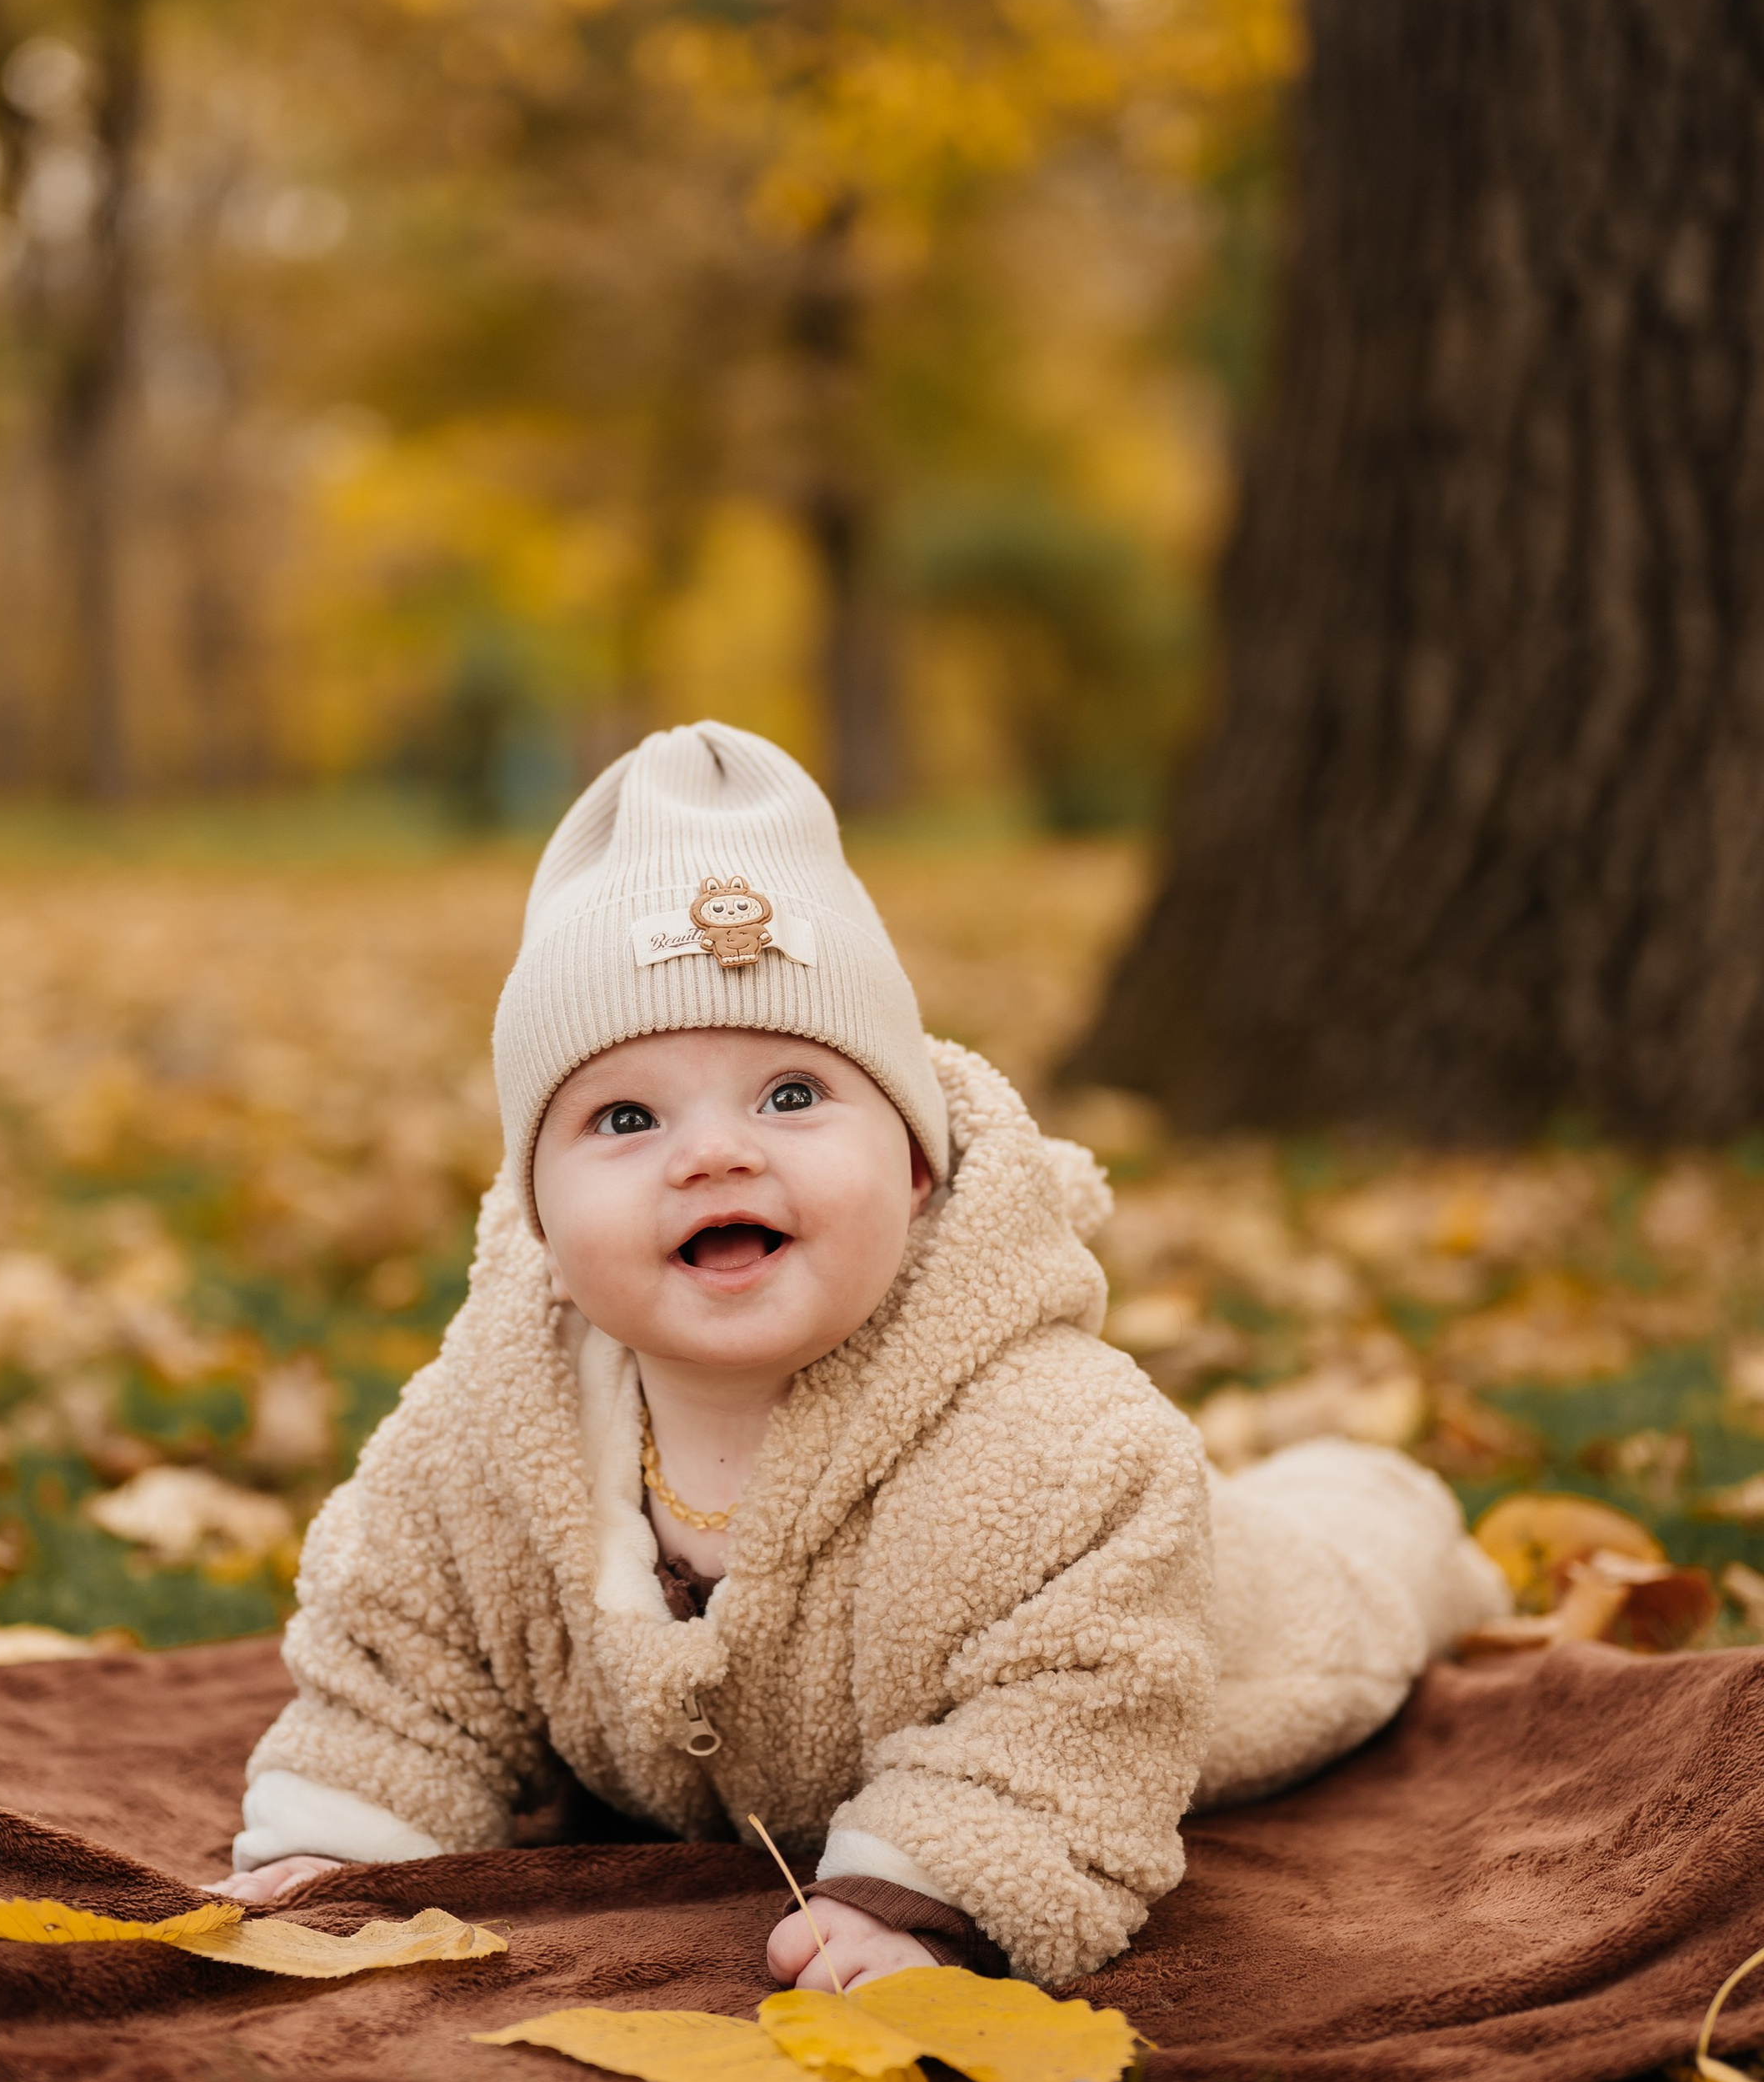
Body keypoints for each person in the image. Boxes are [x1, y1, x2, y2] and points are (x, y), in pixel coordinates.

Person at [211, 721, 1502, 1989]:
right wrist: (342, 1838)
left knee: (1359, 1563)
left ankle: (1405, 1517)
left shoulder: (1064, 1450)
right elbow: (403, 1658)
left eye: (790, 1095)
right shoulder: (475, 1443)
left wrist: (923, 1888)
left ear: (921, 1166)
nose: (714, 1154)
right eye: (624, 1116)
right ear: (539, 1222)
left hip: (1237, 1633)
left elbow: (1075, 1705)